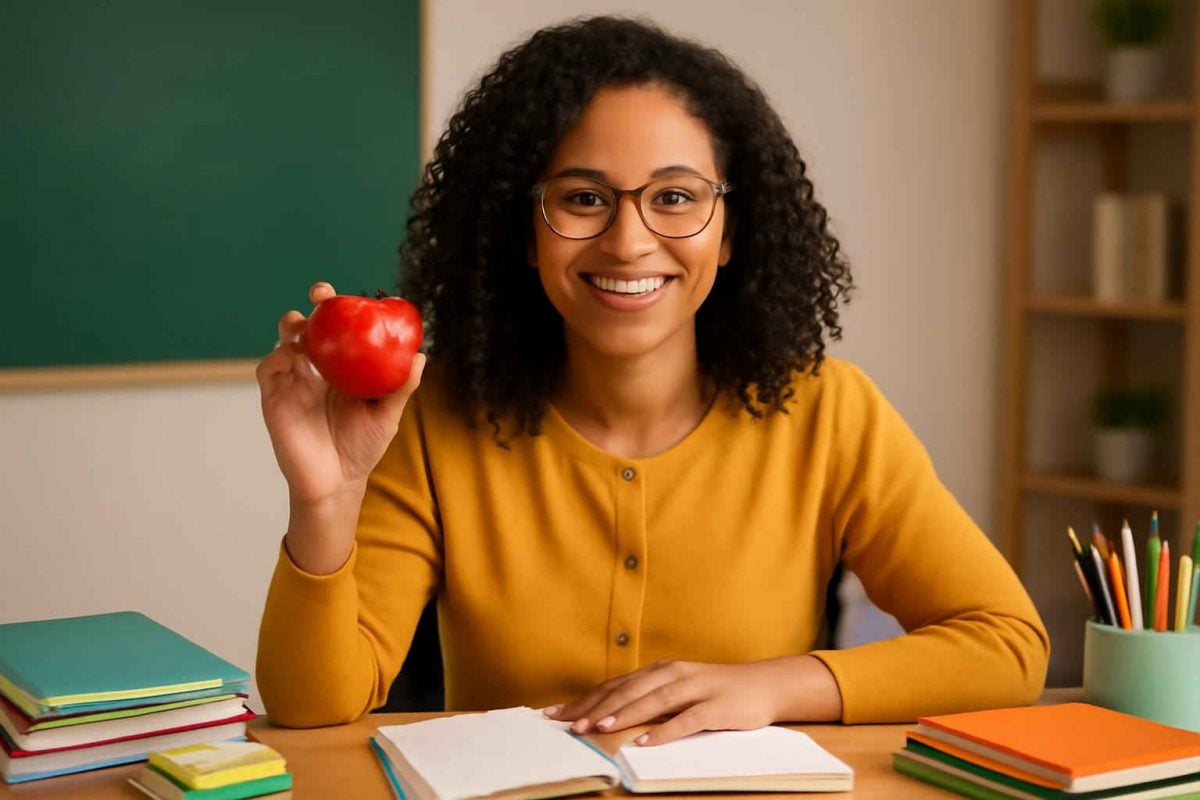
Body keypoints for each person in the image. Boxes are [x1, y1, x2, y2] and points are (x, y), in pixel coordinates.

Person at [256, 15, 1049, 744]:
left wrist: (773, 686)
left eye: (674, 197)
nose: (629, 241)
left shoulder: (831, 412)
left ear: (731, 231)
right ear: (522, 234)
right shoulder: (436, 418)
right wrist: (324, 498)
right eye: (583, 198)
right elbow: (312, 705)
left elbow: (1007, 646)